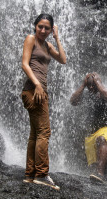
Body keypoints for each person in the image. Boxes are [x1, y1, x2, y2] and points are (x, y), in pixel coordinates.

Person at [21, 13, 66, 190]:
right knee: (44, 132)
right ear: (35, 26)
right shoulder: (30, 38)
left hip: (38, 91)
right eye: (40, 26)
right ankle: (41, 174)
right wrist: (38, 84)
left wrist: (57, 38)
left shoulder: (47, 45)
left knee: (35, 133)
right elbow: (25, 64)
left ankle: (30, 174)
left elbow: (63, 59)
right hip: (34, 90)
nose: (43, 30)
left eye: (47, 28)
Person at [70, 72, 107, 183]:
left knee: (101, 139)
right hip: (92, 134)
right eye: (89, 85)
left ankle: (100, 174)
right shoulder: (87, 95)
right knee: (91, 152)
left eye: (93, 85)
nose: (91, 87)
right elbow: (73, 101)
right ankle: (96, 179)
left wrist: (98, 82)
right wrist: (82, 85)